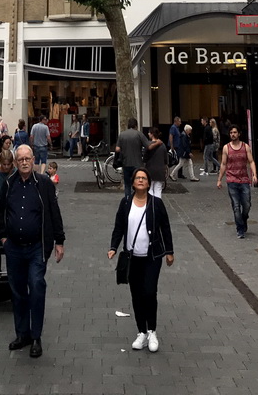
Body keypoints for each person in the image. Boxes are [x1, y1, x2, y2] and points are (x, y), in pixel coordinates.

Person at [0, 145, 65, 358]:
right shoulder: (9, 183)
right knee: (17, 292)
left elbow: (54, 212)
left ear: (34, 160)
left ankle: (36, 337)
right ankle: (22, 334)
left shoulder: (43, 184)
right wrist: (4, 235)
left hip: (36, 248)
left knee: (36, 287)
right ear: (15, 162)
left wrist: (59, 241)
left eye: (27, 158)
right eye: (20, 159)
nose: (24, 162)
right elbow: (0, 210)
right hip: (14, 247)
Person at [108, 167, 174, 354]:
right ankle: (141, 332)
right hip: (133, 258)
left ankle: (152, 331)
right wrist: (113, 247)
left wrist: (169, 252)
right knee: (136, 295)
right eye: (137, 178)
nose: (140, 180)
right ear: (133, 182)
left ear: (148, 182)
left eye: (144, 178)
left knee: (149, 292)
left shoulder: (156, 204)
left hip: (152, 257)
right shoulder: (126, 202)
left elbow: (166, 228)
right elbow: (119, 226)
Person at [217, 126, 258, 238]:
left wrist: (254, 174)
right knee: (236, 206)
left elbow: (251, 161)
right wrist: (219, 179)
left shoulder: (246, 147)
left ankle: (244, 219)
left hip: (244, 180)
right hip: (232, 180)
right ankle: (240, 229)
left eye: (235, 132)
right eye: (231, 133)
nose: (233, 134)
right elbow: (223, 164)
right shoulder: (226, 148)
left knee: (247, 205)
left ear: (239, 134)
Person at [115, 118, 150, 200]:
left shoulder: (122, 134)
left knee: (127, 184)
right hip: (137, 163)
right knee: (137, 183)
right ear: (136, 125)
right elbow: (147, 146)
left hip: (126, 163)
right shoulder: (139, 134)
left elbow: (117, 149)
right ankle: (137, 199)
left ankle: (127, 199)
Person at [143, 126, 167, 198]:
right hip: (160, 170)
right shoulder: (163, 145)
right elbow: (165, 159)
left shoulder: (148, 144)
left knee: (149, 189)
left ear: (152, 134)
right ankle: (157, 206)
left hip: (150, 170)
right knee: (158, 189)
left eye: (149, 133)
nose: (148, 134)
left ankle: (150, 205)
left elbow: (145, 158)